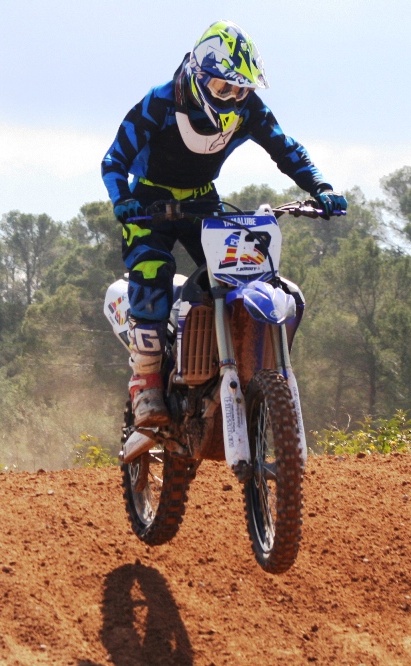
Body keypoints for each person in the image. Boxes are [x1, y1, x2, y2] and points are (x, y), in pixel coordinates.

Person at [100, 20, 347, 427]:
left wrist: (320, 186)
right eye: (222, 88)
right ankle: (146, 381)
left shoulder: (249, 109)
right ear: (198, 76)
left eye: (241, 90)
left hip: (202, 199)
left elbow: (285, 148)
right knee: (153, 267)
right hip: (147, 203)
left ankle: (223, 362)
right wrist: (122, 200)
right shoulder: (159, 103)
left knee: (241, 272)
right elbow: (114, 160)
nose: (233, 98)